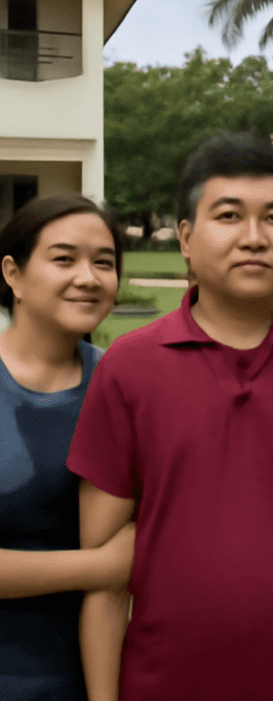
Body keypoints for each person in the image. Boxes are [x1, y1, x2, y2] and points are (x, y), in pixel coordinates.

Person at [69, 131, 273, 701]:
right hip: (161, 686)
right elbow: (103, 574)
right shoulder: (129, 367)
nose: (254, 238)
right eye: (228, 216)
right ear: (185, 238)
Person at [0, 195, 136, 701]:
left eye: (104, 262)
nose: (89, 277)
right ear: (13, 273)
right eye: (64, 259)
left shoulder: (125, 383)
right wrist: (100, 566)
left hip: (93, 677)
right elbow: (121, 559)